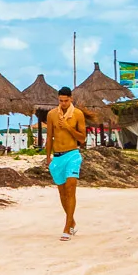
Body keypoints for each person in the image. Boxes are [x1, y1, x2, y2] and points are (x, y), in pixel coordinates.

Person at [46, 86, 86, 241]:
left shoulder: (77, 114)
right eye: (61, 100)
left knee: (71, 187)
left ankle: (67, 227)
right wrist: (48, 156)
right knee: (62, 193)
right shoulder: (51, 115)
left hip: (72, 155)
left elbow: (82, 138)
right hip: (57, 157)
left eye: (66, 100)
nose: (63, 103)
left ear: (71, 99)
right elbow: (49, 137)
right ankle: (72, 221)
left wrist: (68, 127)